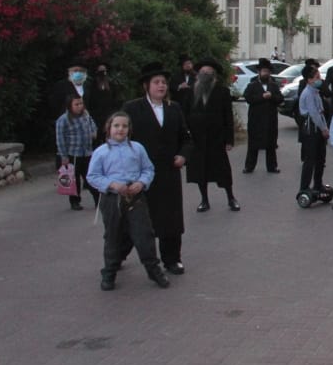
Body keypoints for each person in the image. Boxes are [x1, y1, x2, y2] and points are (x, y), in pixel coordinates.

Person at [87, 111, 170, 290]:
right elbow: (92, 176)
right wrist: (111, 184)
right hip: (112, 199)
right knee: (113, 236)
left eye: (124, 126)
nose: (120, 129)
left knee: (144, 234)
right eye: (116, 126)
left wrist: (141, 183)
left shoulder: (137, 148)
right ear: (109, 128)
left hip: (135, 197)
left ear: (129, 129)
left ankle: (153, 270)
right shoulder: (101, 152)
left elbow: (148, 169)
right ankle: (109, 272)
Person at [123, 63, 190, 275]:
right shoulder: (132, 108)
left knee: (170, 217)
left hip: (168, 172)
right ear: (146, 86)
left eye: (164, 82)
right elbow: (121, 137)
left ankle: (172, 259)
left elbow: (186, 138)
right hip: (141, 174)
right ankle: (117, 255)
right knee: (137, 218)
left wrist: (183, 155)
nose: (161, 86)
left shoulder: (174, 108)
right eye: (156, 82)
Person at [185, 59, 238, 212]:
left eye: (208, 73)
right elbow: (185, 114)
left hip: (216, 139)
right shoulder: (191, 92)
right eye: (203, 72)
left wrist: (229, 139)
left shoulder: (222, 91)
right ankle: (204, 200)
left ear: (213, 75)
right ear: (198, 75)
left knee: (223, 171)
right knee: (200, 171)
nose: (205, 75)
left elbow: (228, 116)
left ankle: (231, 198)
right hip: (197, 139)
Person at [56, 93, 98, 210]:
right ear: (70, 106)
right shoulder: (63, 120)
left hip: (87, 152)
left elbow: (93, 125)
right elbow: (60, 139)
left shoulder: (86, 115)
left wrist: (94, 132)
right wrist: (63, 156)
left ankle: (98, 199)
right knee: (74, 180)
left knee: (91, 178)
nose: (80, 106)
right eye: (76, 104)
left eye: (81, 103)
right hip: (73, 154)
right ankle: (75, 201)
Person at [243, 58, 282, 174]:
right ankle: (249, 166)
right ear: (259, 72)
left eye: (267, 71)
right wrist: (262, 97)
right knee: (253, 144)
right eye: (263, 71)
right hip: (256, 119)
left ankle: (272, 167)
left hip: (270, 119)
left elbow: (280, 99)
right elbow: (248, 98)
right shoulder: (252, 85)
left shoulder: (273, 85)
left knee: (271, 144)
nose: (266, 73)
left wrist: (272, 97)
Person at [298, 64, 330, 198]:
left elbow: (321, 112)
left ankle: (318, 184)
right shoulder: (308, 93)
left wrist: (325, 127)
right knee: (310, 160)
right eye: (317, 77)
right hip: (311, 130)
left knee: (320, 159)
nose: (320, 79)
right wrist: (323, 129)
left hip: (318, 127)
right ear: (310, 80)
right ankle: (304, 187)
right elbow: (314, 114)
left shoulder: (315, 92)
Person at [85, 61, 119, 134]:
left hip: (109, 117)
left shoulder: (112, 86)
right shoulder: (92, 87)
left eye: (104, 71)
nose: (103, 74)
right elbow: (89, 103)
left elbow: (116, 103)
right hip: (95, 118)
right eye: (100, 71)